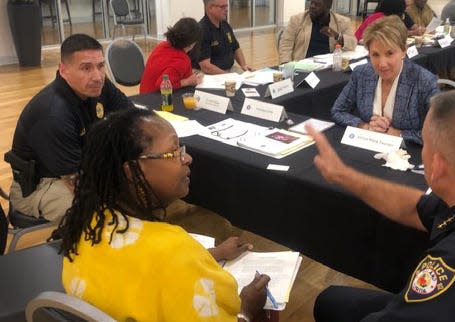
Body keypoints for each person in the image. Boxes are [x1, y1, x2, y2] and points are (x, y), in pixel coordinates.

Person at [310, 89, 455, 321]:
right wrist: (342, 175)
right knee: (331, 300)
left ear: (437, 165)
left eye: (425, 144)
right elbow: (415, 208)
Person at [53, 108, 271, 321]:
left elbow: (137, 273)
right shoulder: (173, 252)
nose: (187, 158)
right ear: (132, 171)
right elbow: (167, 266)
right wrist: (246, 308)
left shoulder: (90, 223)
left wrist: (215, 253)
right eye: (174, 152)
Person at [6, 33, 133, 222]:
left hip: (78, 165)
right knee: (99, 216)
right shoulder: (53, 114)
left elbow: (131, 116)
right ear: (63, 71)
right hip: (43, 184)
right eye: (86, 68)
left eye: (100, 66)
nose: (97, 76)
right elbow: (76, 182)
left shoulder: (98, 85)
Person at [333, 16, 439, 145]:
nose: (382, 64)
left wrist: (399, 134)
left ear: (404, 50)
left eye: (389, 53)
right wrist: (364, 126)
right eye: (375, 54)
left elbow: (439, 132)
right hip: (367, 148)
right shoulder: (361, 74)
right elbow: (338, 111)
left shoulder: (424, 81)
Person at [278, 0, 356, 64]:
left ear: (327, 7)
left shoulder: (342, 22)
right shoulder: (296, 20)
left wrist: (337, 36)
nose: (312, 6)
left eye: (317, 4)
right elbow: (285, 45)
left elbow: (353, 43)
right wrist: (286, 66)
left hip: (329, 68)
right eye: (311, 3)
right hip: (302, 66)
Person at [140, 17, 204, 94]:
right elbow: (161, 84)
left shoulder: (163, 45)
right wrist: (187, 82)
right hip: (156, 99)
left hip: (144, 95)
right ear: (192, 44)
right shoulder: (181, 60)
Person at [197, 0, 253, 74]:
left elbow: (236, 48)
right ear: (210, 8)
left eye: (227, 6)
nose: (226, 9)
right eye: (222, 7)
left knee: (251, 78)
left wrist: (244, 65)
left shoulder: (224, 24)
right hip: (211, 75)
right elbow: (205, 66)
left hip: (229, 70)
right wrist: (227, 76)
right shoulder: (202, 30)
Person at [355, 0, 425, 42]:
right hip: (361, 45)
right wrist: (413, 32)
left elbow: (410, 26)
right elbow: (392, 34)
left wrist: (418, 29)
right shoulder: (379, 18)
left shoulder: (396, 14)